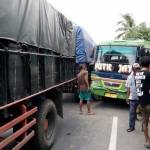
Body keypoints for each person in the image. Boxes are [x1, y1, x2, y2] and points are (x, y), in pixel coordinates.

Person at [135, 56, 150, 148]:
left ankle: (147, 141)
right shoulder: (149, 74)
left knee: (145, 123)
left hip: (142, 103)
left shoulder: (136, 74)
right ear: (149, 64)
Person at [126, 63, 140, 132]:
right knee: (132, 113)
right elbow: (128, 88)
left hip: (141, 98)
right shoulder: (129, 77)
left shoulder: (142, 76)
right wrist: (127, 98)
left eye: (137, 69)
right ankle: (131, 127)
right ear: (132, 69)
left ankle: (144, 128)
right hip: (132, 98)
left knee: (143, 114)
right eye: (135, 69)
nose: (136, 70)